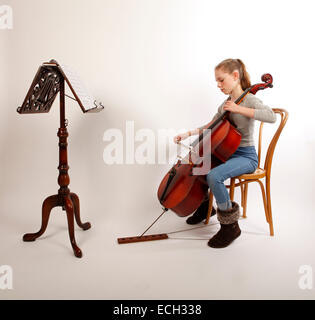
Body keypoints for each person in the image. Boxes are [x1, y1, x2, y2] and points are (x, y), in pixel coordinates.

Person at [173, 58, 276, 248]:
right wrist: (187, 134)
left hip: (246, 156)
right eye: (217, 82)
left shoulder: (250, 100)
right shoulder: (225, 104)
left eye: (221, 80)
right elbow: (211, 127)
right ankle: (205, 208)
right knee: (198, 166)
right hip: (227, 155)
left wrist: (240, 109)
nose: (219, 85)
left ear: (235, 76)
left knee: (214, 176)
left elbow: (271, 116)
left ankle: (230, 227)